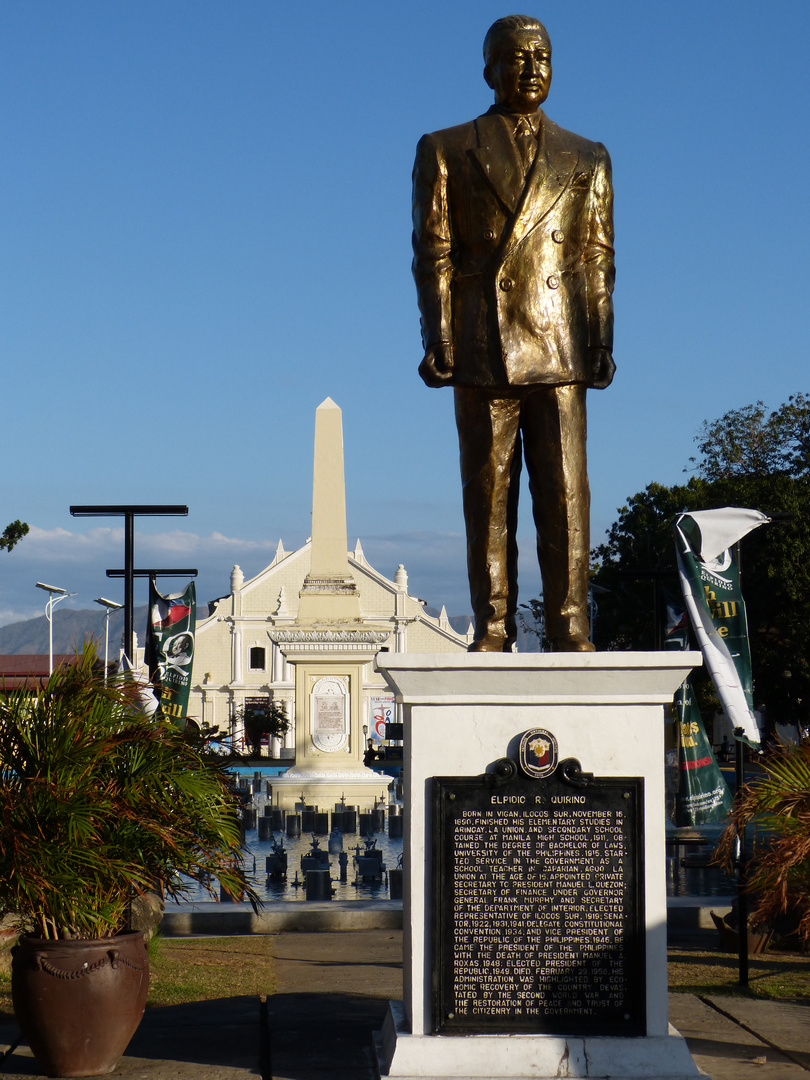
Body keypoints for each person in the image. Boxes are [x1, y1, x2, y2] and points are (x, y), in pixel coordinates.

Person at [412, 14, 615, 652]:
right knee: (488, 492)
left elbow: (595, 257)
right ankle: (493, 626)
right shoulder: (446, 148)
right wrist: (439, 336)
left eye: (541, 56)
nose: (530, 67)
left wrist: (601, 337)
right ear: (488, 69)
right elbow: (433, 251)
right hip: (482, 343)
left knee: (565, 493)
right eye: (516, 56)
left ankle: (569, 623)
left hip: (560, 344)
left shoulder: (587, 155)